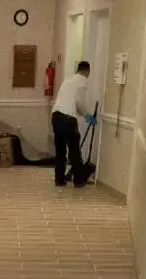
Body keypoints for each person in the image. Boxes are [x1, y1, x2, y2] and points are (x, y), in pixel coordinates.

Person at [51, 60, 96, 188]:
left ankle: (59, 180)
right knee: (74, 150)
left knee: (60, 150)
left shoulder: (68, 80)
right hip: (68, 119)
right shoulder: (82, 81)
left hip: (56, 116)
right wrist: (88, 115)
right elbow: (79, 103)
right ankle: (78, 180)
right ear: (87, 72)